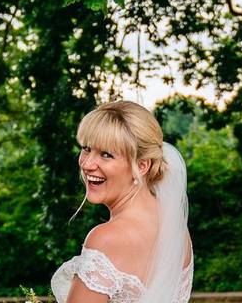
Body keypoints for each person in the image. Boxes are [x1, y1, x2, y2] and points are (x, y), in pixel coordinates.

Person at [51, 100, 194, 303]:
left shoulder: (106, 239)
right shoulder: (177, 229)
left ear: (142, 165)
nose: (87, 163)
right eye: (86, 148)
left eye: (106, 154)